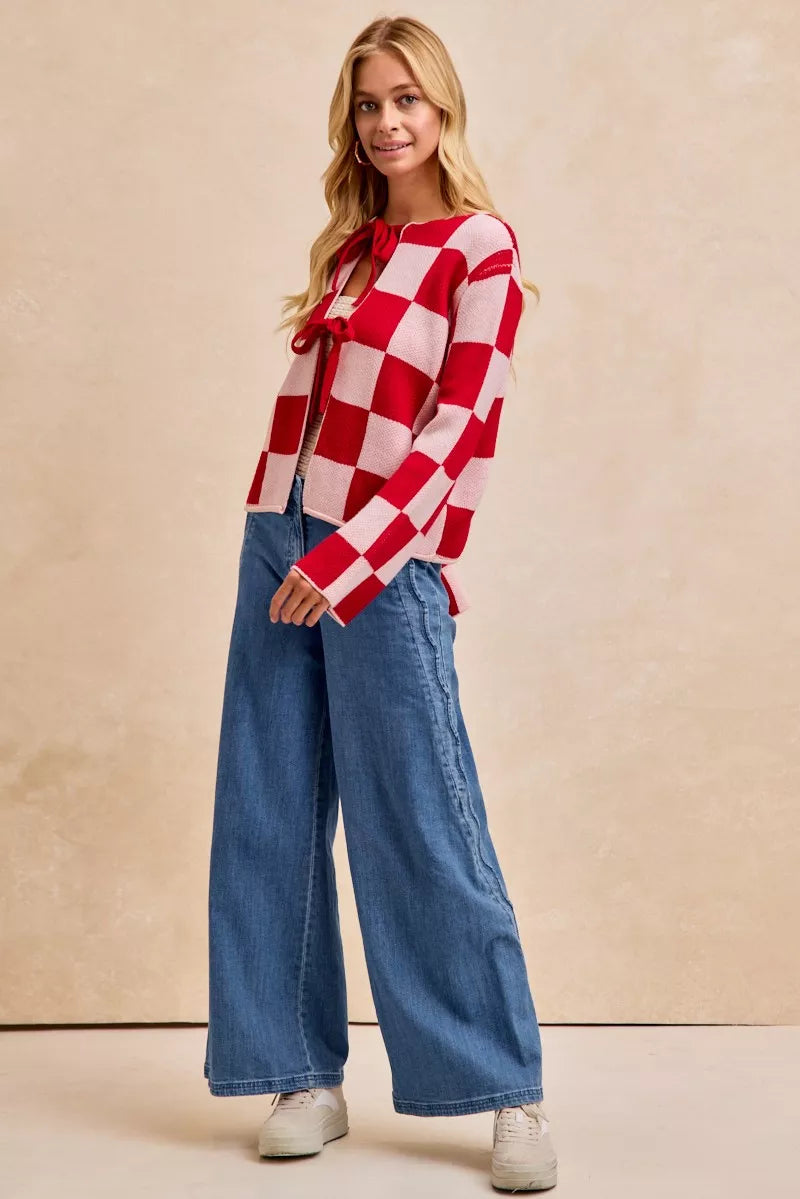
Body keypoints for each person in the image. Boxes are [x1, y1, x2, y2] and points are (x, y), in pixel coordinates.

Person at [204, 14, 558, 1193]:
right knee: (266, 810)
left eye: (406, 98)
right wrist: (286, 533)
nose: (387, 120)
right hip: (279, 533)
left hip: (380, 558)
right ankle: (299, 1070)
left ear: (443, 108)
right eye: (367, 104)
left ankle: (505, 1089)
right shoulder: (350, 251)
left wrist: (354, 555)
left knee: (421, 818)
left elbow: (456, 435)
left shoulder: (481, 250)